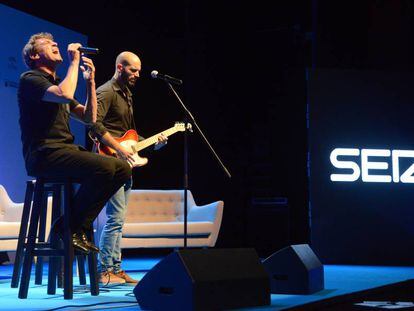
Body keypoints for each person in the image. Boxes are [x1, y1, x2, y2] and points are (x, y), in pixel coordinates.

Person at [18, 32, 132, 254]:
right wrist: (74, 62)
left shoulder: (57, 85)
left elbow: (89, 118)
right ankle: (68, 228)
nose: (55, 44)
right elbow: (63, 93)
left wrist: (90, 82)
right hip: (44, 154)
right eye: (47, 44)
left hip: (65, 152)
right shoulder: (30, 79)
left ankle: (71, 227)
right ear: (34, 55)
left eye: (55, 42)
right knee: (107, 166)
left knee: (122, 169)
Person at [91, 51, 167, 284]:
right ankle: (105, 270)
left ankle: (115, 267)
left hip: (123, 164)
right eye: (133, 70)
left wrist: (154, 143)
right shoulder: (105, 92)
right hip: (110, 161)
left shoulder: (126, 95)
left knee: (119, 219)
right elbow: (94, 127)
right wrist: (120, 149)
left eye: (139, 71)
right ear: (120, 67)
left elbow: (127, 135)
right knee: (115, 219)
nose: (137, 74)